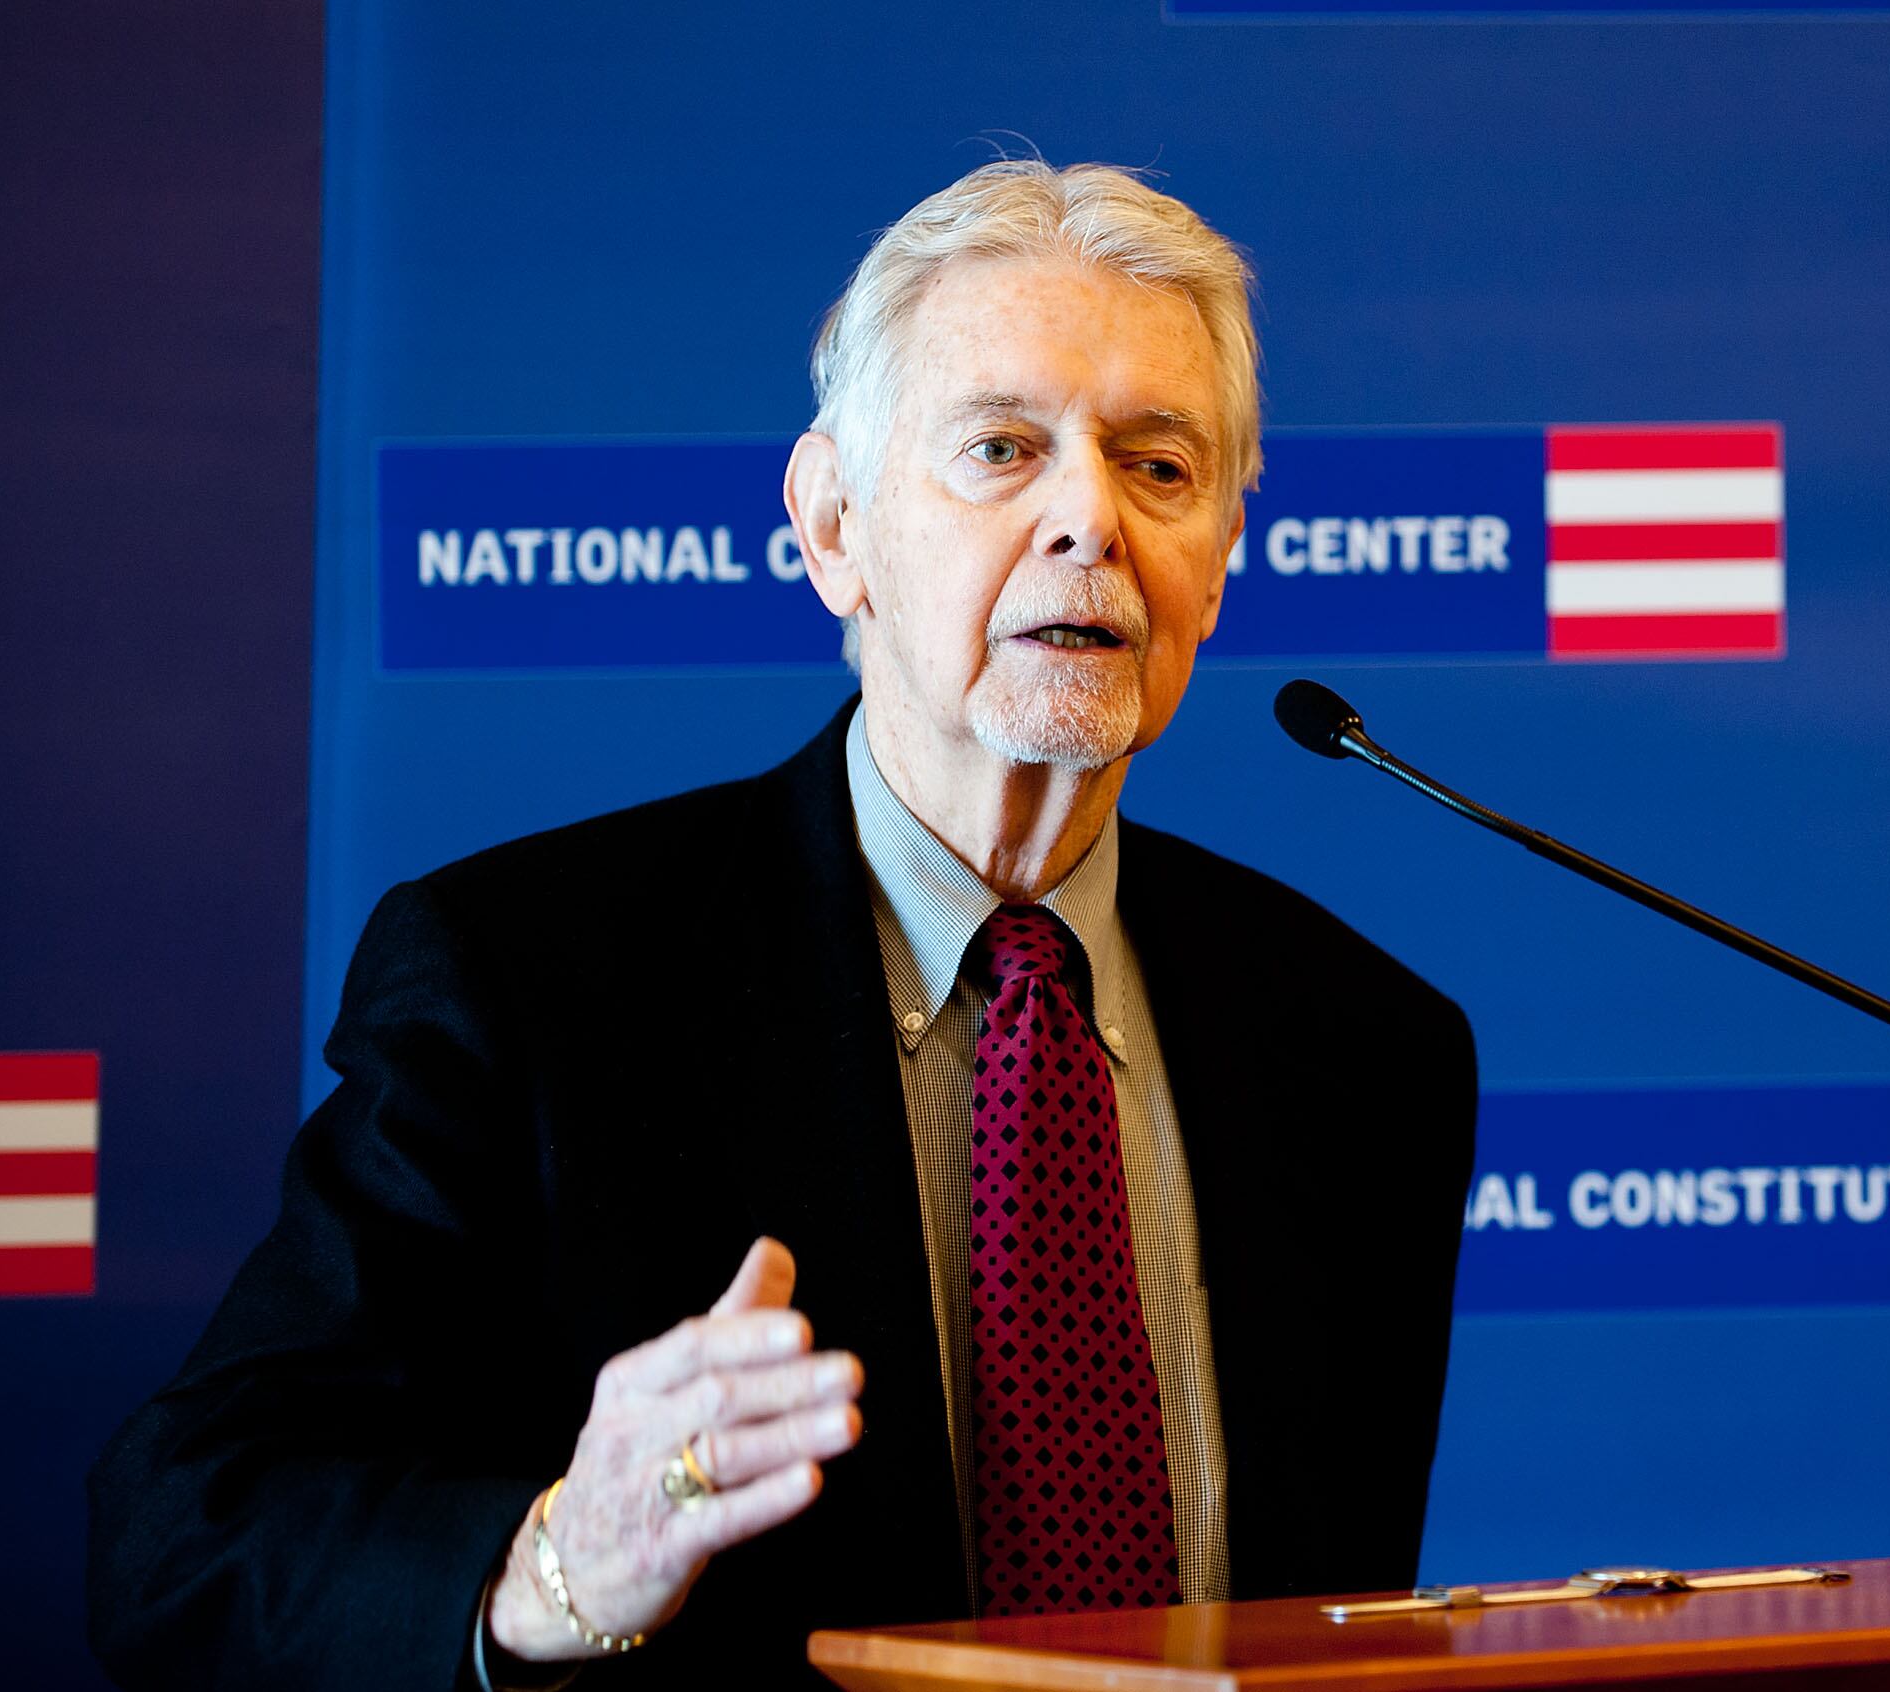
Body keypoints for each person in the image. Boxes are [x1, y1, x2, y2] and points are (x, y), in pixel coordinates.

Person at [87, 162, 1481, 1691]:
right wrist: (564, 1561)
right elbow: (185, 1539)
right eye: (1002, 450)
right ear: (834, 528)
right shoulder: (531, 984)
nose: (1088, 516)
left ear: (1221, 559)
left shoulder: (1364, 1049)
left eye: (1160, 468)